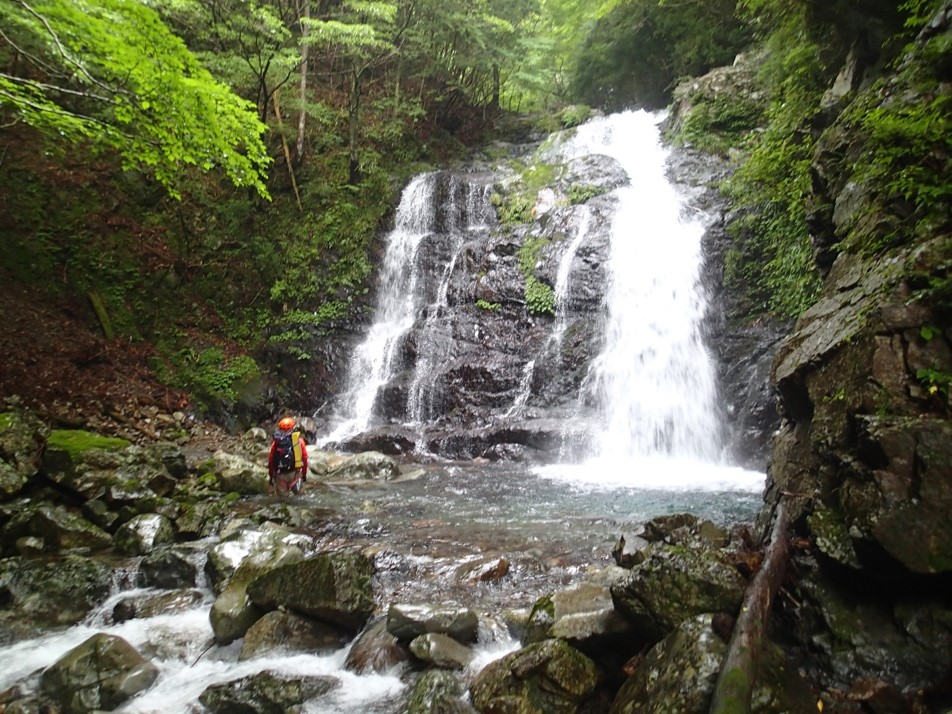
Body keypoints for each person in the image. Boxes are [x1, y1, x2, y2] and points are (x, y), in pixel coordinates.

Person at [267, 417, 308, 494]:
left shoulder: (276, 443)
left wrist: (271, 475)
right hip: (295, 474)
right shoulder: (299, 441)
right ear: (292, 428)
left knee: (282, 499)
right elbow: (304, 458)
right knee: (300, 497)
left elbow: (271, 460)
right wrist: (304, 474)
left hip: (280, 475)